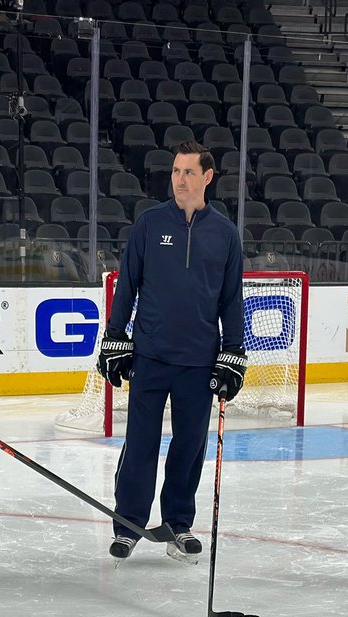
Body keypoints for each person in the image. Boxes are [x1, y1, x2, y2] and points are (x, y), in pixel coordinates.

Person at [96, 142, 247, 562]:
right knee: (140, 442)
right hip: (150, 355)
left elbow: (232, 300)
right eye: (176, 171)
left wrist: (233, 352)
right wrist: (114, 336)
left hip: (199, 362)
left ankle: (179, 524)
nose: (179, 179)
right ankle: (128, 524)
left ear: (207, 177)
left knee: (188, 446)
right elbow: (126, 286)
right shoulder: (149, 224)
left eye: (188, 172)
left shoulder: (225, 234)